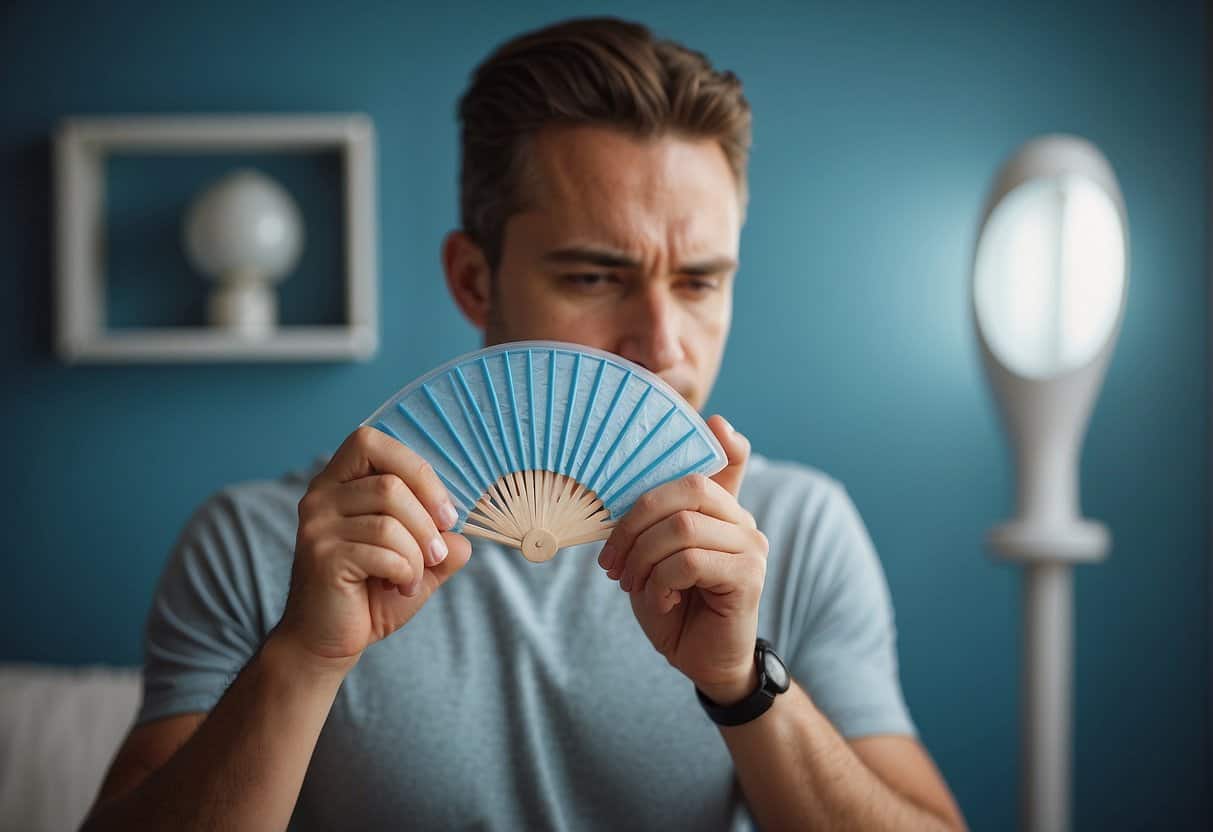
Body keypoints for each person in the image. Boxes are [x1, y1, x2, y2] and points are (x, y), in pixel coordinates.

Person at [84, 16, 966, 831]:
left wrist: (741, 684)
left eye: (698, 281)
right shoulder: (260, 542)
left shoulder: (798, 530)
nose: (660, 345)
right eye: (593, 277)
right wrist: (306, 656)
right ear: (474, 279)